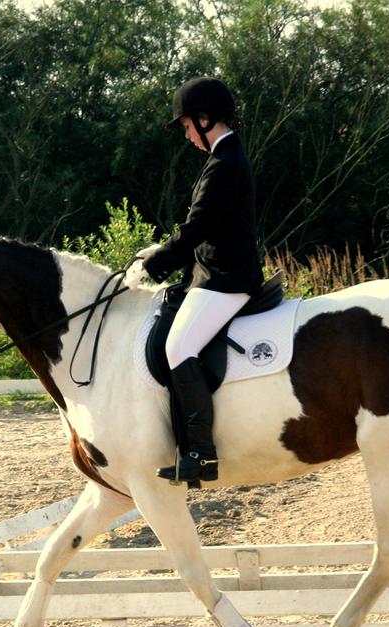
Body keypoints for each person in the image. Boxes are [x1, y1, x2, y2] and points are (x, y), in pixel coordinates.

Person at [124, 76, 264, 485]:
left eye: (186, 126)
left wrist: (154, 265)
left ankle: (201, 453)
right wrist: (161, 254)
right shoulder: (223, 159)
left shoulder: (225, 163)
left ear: (204, 120)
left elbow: (197, 227)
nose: (186, 135)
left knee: (178, 345)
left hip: (226, 277)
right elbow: (199, 228)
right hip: (212, 273)